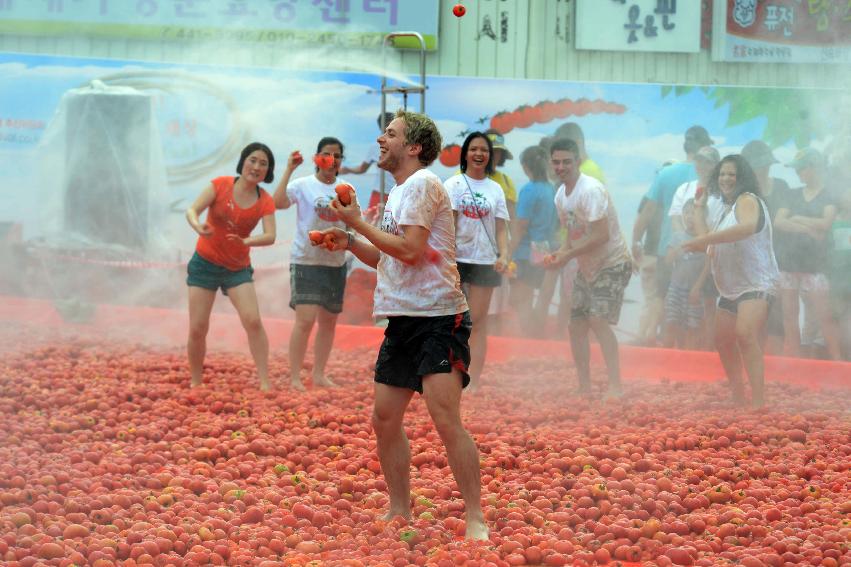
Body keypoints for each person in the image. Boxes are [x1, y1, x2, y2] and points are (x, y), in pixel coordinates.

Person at [319, 109, 488, 541]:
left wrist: (355, 221)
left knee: (444, 417)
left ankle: (475, 518)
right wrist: (353, 241)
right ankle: (399, 509)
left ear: (413, 147)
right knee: (383, 417)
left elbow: (411, 251)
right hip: (403, 321)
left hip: (439, 318)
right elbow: (386, 257)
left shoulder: (423, 184)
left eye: (390, 134)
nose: (380, 139)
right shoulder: (398, 194)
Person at [684, 155, 779, 408]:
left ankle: (758, 402)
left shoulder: (748, 199)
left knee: (745, 334)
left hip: (757, 282)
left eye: (732, 174)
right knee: (722, 340)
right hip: (731, 288)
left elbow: (747, 227)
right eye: (722, 174)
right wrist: (698, 207)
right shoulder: (726, 209)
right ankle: (738, 396)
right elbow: (706, 240)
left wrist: (702, 240)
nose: (726, 179)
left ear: (742, 177)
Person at [185, 142, 277, 391]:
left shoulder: (265, 200)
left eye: (263, 164)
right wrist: (197, 226)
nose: (256, 167)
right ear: (243, 162)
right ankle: (196, 381)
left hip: (237, 268)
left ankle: (265, 381)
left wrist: (247, 240)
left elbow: (270, 235)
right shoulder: (221, 185)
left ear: (267, 172)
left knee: (253, 320)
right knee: (197, 327)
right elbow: (192, 210)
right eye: (252, 160)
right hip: (204, 263)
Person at [546, 139, 632, 398]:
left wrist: (569, 254)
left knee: (597, 319)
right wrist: (559, 255)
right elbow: (571, 233)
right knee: (576, 326)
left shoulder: (591, 190)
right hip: (588, 265)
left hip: (613, 262)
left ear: (577, 162)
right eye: (557, 162)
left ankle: (615, 385)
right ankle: (584, 387)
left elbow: (601, 235)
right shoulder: (561, 195)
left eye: (566, 162)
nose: (561, 167)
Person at [273, 137, 350, 390]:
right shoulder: (303, 185)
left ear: (341, 160)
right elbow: (278, 203)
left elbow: (352, 223)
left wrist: (347, 242)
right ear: (317, 158)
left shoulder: (347, 189)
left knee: (328, 322)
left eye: (337, 155)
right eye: (326, 154)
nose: (332, 159)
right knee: (305, 321)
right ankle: (295, 376)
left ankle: (319, 373)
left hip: (335, 262)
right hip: (305, 260)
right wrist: (289, 169)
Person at [444, 132, 510, 391]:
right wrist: (447, 258)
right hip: (457, 259)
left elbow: (502, 229)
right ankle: (449, 374)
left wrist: (504, 255)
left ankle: (475, 378)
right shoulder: (454, 184)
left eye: (484, 150)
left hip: (485, 261)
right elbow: (449, 223)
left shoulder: (496, 189)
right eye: (474, 149)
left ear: (490, 156)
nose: (479, 154)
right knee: (453, 318)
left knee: (479, 321)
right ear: (466, 154)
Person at [633, 126, 713, 335]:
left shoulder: (666, 174)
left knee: (662, 297)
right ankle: (690, 352)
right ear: (704, 147)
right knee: (696, 304)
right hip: (698, 253)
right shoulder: (711, 177)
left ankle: (652, 339)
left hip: (667, 249)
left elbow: (647, 211)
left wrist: (635, 241)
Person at [774, 148, 841, 359]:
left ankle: (838, 361)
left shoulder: (828, 195)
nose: (798, 172)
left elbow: (826, 223)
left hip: (814, 264)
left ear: (813, 167)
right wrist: (808, 229)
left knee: (824, 315)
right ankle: (793, 359)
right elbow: (778, 222)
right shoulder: (792, 193)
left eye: (801, 168)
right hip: (789, 262)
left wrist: (797, 218)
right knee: (789, 315)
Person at [741, 140, 791, 355]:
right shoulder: (742, 194)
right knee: (752, 316)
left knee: (777, 318)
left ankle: (776, 368)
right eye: (759, 165)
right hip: (749, 263)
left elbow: (785, 223)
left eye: (766, 164)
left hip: (779, 259)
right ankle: (754, 364)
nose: (763, 169)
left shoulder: (781, 186)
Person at [669, 145, 721, 349]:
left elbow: (717, 226)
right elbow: (675, 219)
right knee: (679, 306)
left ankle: (708, 350)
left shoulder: (720, 194)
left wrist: (702, 246)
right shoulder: (684, 189)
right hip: (686, 256)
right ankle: (682, 352)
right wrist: (685, 244)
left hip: (710, 255)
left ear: (715, 165)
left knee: (709, 304)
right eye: (699, 161)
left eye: (707, 161)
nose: (702, 165)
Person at [508, 146, 559, 336]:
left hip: (526, 250)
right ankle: (532, 332)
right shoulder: (551, 189)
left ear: (526, 166)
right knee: (530, 295)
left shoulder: (529, 189)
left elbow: (521, 225)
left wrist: (508, 252)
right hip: (544, 248)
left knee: (520, 298)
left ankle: (529, 336)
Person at [663, 199, 706, 349]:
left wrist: (697, 287)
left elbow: (709, 265)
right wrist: (680, 248)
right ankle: (665, 360)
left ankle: (689, 361)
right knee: (671, 323)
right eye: (686, 213)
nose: (689, 216)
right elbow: (668, 261)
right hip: (675, 288)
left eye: (693, 213)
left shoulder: (705, 239)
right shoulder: (677, 237)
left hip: (695, 291)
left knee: (693, 327)